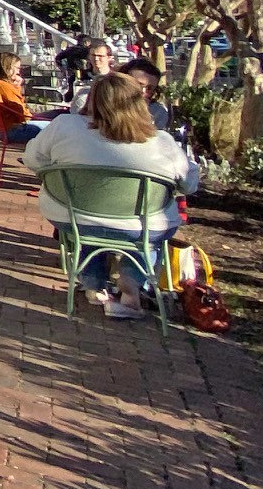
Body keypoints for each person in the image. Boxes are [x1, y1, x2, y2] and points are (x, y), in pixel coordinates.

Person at [23, 73, 199, 321]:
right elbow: (189, 184)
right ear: (139, 102)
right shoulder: (162, 142)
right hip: (141, 225)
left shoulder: (64, 126)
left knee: (87, 221)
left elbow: (32, 159)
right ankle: (132, 284)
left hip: (75, 216)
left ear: (93, 99)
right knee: (149, 235)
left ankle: (93, 284)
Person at [0, 52, 42, 144]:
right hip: (13, 131)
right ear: (8, 67)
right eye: (17, 68)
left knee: (54, 119)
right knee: (56, 129)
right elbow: (22, 116)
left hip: (0, 131)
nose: (18, 72)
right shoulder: (2, 85)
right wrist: (17, 87)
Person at [119, 57, 173, 131]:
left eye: (149, 88)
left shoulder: (157, 113)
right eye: (138, 85)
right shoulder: (105, 107)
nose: (143, 92)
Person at [68, 38, 116, 112]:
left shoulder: (115, 78)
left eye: (100, 56)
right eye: (93, 55)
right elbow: (68, 97)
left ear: (109, 58)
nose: (96, 59)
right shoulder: (79, 77)